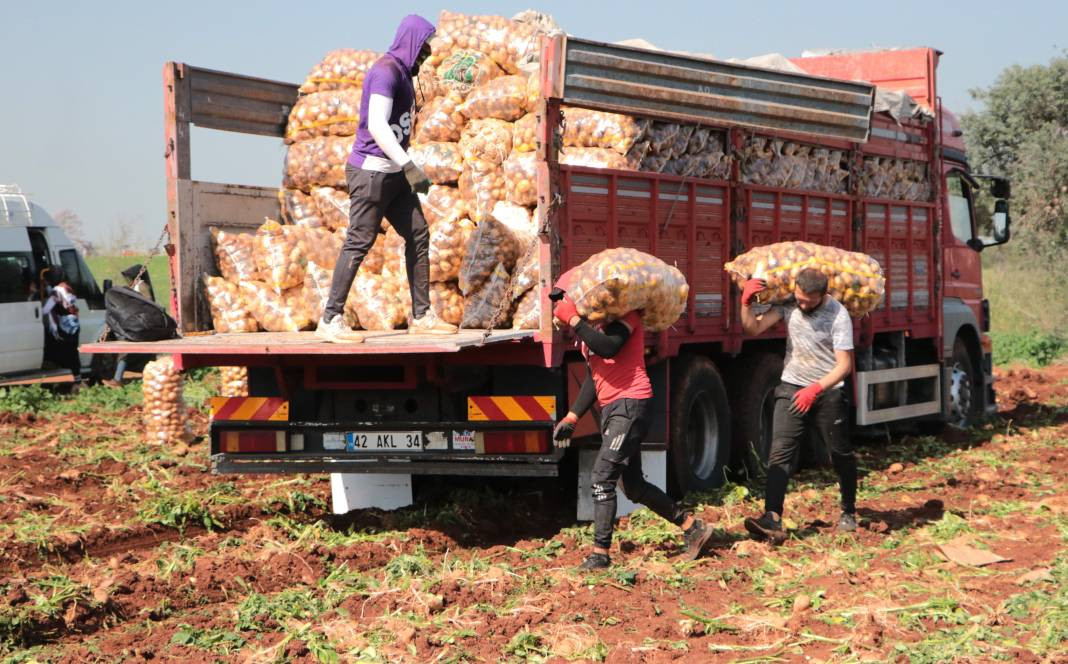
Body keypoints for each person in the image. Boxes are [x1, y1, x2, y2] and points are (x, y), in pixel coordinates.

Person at [550, 277, 714, 569]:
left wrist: (574, 319)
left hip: (631, 405)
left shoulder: (626, 316)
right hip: (614, 408)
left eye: (566, 299)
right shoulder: (593, 326)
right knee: (633, 486)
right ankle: (693, 527)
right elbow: (594, 375)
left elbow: (609, 348)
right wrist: (573, 416)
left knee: (602, 477)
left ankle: (601, 554)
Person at [316, 14, 456, 343]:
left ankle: (422, 315)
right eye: (424, 48)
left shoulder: (405, 75)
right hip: (372, 174)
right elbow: (378, 126)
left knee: (418, 234)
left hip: (394, 176)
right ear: (411, 43)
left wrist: (405, 170)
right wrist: (409, 165)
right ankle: (331, 318)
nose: (428, 55)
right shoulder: (385, 72)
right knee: (359, 241)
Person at [739, 268, 857, 544]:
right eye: (800, 298)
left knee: (839, 453)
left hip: (826, 392)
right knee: (779, 453)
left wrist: (815, 389)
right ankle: (772, 517)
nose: (802, 304)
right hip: (792, 387)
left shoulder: (838, 315)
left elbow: (845, 366)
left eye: (809, 301)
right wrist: (745, 304)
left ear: (823, 295)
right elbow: (753, 328)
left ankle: (849, 510)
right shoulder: (788, 303)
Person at [103, 265, 157, 387]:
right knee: (137, 353)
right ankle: (151, 379)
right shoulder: (137, 286)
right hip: (136, 323)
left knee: (127, 351)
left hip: (142, 324)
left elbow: (146, 304)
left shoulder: (142, 286)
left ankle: (118, 380)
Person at [42, 267, 81, 383]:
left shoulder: (57, 291)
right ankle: (77, 378)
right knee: (73, 352)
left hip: (65, 326)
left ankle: (77, 382)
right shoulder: (68, 287)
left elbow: (45, 310)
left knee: (68, 352)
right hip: (74, 324)